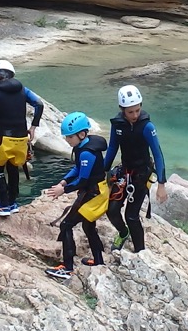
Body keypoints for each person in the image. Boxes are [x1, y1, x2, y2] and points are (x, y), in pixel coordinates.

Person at [42, 112, 109, 280]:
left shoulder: (87, 153)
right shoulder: (82, 147)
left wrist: (62, 191)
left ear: (81, 134)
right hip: (96, 191)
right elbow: (77, 169)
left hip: (94, 194)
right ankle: (99, 260)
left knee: (66, 225)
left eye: (69, 137)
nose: (67, 140)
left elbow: (82, 180)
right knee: (87, 226)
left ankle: (67, 267)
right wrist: (63, 182)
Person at [105, 84, 169, 255]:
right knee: (111, 210)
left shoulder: (147, 127)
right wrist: (101, 173)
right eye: (130, 112)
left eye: (137, 110)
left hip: (141, 175)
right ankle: (123, 233)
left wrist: (161, 184)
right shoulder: (117, 125)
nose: (135, 115)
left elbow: (158, 155)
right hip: (125, 172)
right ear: (122, 109)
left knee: (131, 216)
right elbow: (112, 149)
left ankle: (141, 253)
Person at [0, 59, 45, 216]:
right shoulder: (23, 89)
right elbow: (39, 104)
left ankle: (3, 205)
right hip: (22, 138)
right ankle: (13, 202)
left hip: (3, 138)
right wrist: (33, 127)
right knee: (13, 168)